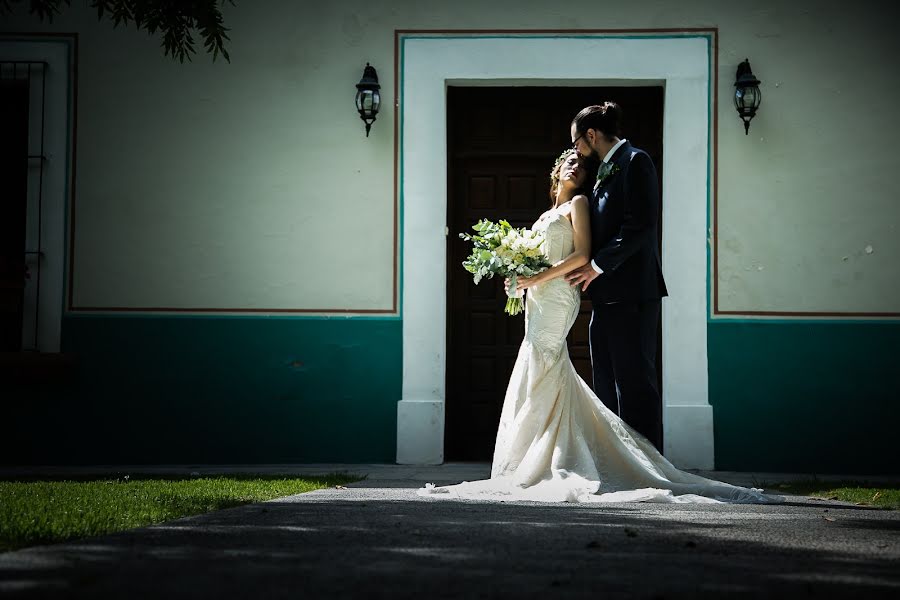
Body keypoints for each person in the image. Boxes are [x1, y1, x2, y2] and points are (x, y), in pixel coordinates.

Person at [419, 148, 778, 504]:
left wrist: (538, 278)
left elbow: (581, 256)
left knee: (546, 362)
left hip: (559, 296)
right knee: (538, 365)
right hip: (539, 298)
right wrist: (519, 278)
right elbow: (540, 259)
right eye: (570, 162)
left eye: (582, 166)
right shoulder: (548, 213)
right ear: (556, 169)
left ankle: (554, 456)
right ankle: (537, 453)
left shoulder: (579, 204)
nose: (577, 168)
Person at [565, 102, 667, 452]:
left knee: (635, 383)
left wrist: (595, 266)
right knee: (606, 382)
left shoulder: (636, 161)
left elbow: (639, 225)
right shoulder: (602, 170)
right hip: (606, 296)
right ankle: (619, 461)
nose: (576, 150)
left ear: (591, 135)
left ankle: (649, 465)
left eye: (577, 141)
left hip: (633, 293)